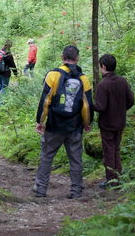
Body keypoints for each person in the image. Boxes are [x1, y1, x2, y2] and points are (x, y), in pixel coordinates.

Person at [33, 45, 93, 199]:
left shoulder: (53, 75)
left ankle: (40, 189)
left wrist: (40, 121)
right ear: (77, 58)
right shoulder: (83, 78)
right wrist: (87, 122)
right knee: (75, 159)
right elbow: (86, 105)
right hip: (75, 126)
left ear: (62, 57)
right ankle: (76, 191)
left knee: (47, 155)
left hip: (55, 124)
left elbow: (45, 100)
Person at [93, 54, 134, 189]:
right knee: (116, 150)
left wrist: (88, 104)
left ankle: (111, 180)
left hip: (107, 124)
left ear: (103, 66)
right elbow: (131, 100)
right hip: (120, 122)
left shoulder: (103, 85)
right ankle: (118, 177)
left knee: (109, 152)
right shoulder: (122, 81)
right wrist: (121, 110)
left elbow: (101, 107)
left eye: (100, 66)